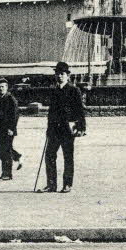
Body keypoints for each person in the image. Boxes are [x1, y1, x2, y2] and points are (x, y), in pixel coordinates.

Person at [43, 62, 86, 193]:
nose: (59, 76)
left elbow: (80, 110)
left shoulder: (74, 90)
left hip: (67, 130)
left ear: (67, 76)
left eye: (62, 74)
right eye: (57, 74)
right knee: (49, 155)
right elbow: (51, 112)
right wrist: (48, 129)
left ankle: (67, 184)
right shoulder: (54, 91)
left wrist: (81, 127)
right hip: (54, 130)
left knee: (68, 157)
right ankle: (51, 184)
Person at [0, 79, 20, 180]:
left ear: (6, 87)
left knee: (6, 151)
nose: (1, 89)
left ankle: (7, 174)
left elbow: (15, 115)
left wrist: (11, 128)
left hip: (7, 130)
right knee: (0, 151)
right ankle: (3, 173)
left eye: (3, 87)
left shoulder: (10, 99)